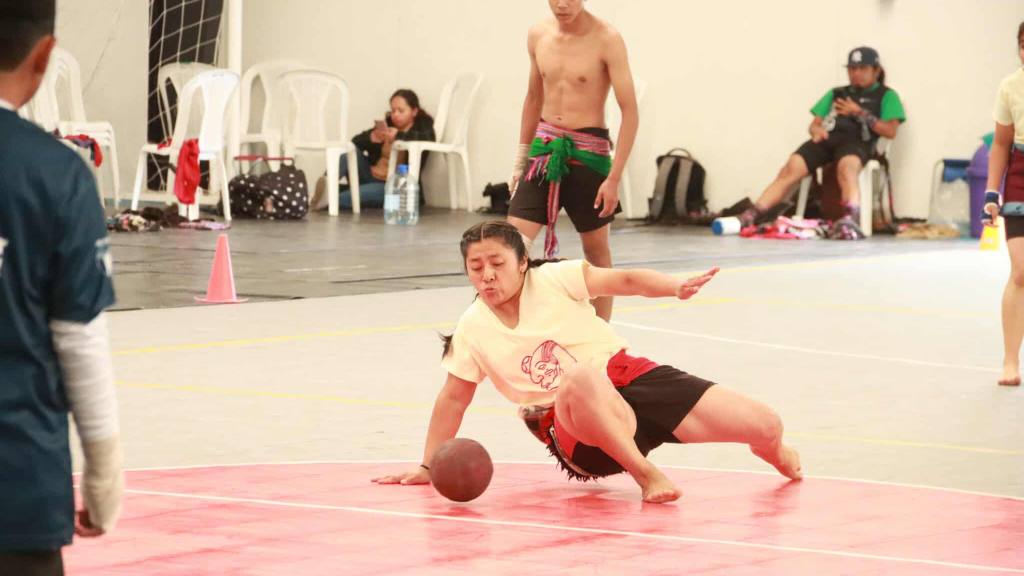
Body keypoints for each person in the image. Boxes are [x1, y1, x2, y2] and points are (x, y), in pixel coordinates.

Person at [373, 221, 802, 504]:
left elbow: (625, 281)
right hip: (574, 429)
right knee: (577, 376)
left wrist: (676, 286)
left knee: (765, 423)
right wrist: (428, 465)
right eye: (475, 267)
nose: (487, 275)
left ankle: (776, 451)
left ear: (523, 263)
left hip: (628, 378)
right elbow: (453, 399)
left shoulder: (555, 278)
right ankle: (647, 474)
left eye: (497, 263)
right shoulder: (472, 328)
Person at [0, 1, 124, 573]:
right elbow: (79, 338)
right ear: (45, 52)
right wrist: (103, 472)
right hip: (15, 484)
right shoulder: (56, 172)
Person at [507, 0, 639, 321]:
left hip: (588, 154)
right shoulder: (538, 34)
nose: (562, 4)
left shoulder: (607, 38)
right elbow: (533, 98)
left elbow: (630, 110)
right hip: (545, 149)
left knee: (595, 253)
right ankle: (508, 329)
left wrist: (614, 178)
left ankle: (600, 337)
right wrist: (521, 160)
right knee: (510, 246)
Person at [739, 47, 906, 239]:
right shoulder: (837, 93)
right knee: (792, 166)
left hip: (857, 142)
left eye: (862, 68)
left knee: (847, 168)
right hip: (828, 139)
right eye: (852, 69)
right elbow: (814, 124)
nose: (856, 73)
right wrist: (816, 130)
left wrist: (859, 112)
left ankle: (851, 219)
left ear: (876, 70)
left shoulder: (886, 95)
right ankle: (753, 214)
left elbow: (890, 131)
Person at [982, 21, 1024, 387]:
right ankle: (1011, 361)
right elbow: (1001, 143)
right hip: (1021, 177)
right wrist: (991, 192)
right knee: (1020, 271)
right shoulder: (1010, 86)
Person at [313, 89, 436, 211]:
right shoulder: (388, 124)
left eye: (401, 111)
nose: (395, 115)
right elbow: (354, 142)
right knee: (349, 152)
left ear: (414, 111)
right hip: (370, 175)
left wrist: (398, 136)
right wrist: (371, 138)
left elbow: (426, 139)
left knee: (348, 197)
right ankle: (328, 184)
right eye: (393, 111)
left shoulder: (423, 126)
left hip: (392, 186)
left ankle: (329, 197)